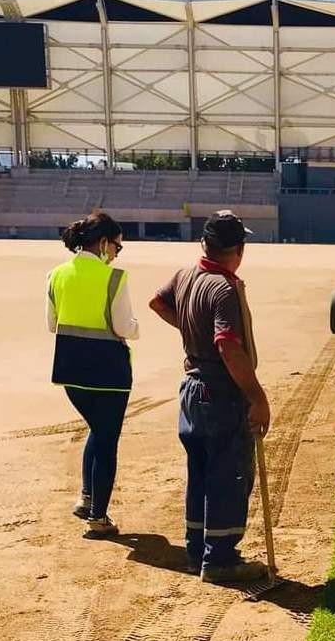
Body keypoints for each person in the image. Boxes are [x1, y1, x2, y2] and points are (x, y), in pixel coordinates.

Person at [149, 211, 272, 583]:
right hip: (220, 392)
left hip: (192, 389)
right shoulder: (223, 288)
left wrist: (190, 329)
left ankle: (196, 550)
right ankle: (219, 559)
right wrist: (257, 396)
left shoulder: (186, 276)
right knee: (229, 475)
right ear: (238, 249)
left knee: (200, 473)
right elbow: (229, 347)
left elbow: (158, 303)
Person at [46, 212, 139, 539]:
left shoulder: (56, 275)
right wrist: (136, 328)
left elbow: (51, 323)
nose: (116, 253)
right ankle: (98, 517)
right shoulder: (113, 278)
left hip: (70, 370)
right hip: (108, 371)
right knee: (107, 439)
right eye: (117, 246)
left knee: (97, 431)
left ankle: (87, 499)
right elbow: (124, 326)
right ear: (103, 243)